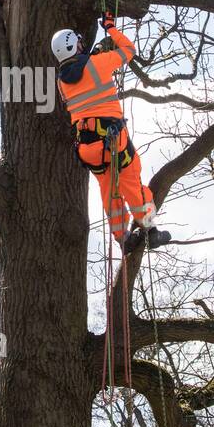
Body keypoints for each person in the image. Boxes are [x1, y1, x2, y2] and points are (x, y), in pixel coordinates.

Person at [51, 13, 171, 253]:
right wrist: (110, 28)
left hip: (88, 148)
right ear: (74, 45)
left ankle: (122, 239)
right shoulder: (98, 63)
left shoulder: (61, 83)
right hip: (113, 139)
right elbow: (128, 50)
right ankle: (151, 230)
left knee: (109, 191)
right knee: (131, 183)